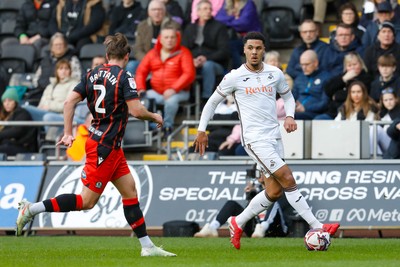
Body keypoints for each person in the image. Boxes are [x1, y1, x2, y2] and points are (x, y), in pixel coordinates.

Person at [15, 33, 176, 257]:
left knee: (130, 191)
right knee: (86, 201)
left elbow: (69, 101)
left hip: (108, 145)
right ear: (127, 56)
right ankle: (31, 209)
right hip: (105, 147)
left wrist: (68, 132)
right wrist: (155, 116)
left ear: (107, 55)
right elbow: (136, 110)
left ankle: (147, 247)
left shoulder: (91, 73)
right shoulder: (124, 76)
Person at [193, 31, 340, 250]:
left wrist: (289, 115)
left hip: (274, 136)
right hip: (254, 139)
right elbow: (212, 103)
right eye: (250, 48)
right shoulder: (234, 76)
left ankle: (237, 221)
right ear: (244, 49)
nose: (254, 52)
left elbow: (288, 97)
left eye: (258, 48)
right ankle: (317, 226)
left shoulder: (275, 73)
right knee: (287, 178)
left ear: (264, 50)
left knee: (274, 192)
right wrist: (201, 130)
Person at [194, 164, 291, 238]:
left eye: (263, 171)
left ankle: (263, 227)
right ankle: (212, 227)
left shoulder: (280, 188)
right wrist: (250, 195)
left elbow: (280, 205)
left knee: (272, 200)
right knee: (232, 204)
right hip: (254, 230)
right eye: (258, 172)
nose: (261, 175)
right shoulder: (255, 189)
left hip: (276, 229)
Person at [135, 26, 196, 137]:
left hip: (179, 92)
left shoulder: (184, 52)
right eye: (166, 37)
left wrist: (174, 89)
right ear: (160, 39)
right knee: (141, 99)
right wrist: (141, 88)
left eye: (172, 37)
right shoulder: (152, 53)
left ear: (177, 39)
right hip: (157, 92)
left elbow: (189, 74)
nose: (169, 40)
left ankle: (168, 127)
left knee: (171, 100)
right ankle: (151, 127)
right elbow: (141, 72)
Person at [182, 0, 230, 101]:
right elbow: (184, 49)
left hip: (215, 64)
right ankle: (186, 97)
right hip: (193, 62)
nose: (208, 11)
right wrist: (192, 60)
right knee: (182, 64)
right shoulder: (189, 28)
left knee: (208, 65)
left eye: (210, 9)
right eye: (205, 9)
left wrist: (206, 58)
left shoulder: (219, 27)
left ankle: (206, 99)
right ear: (198, 11)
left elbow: (224, 51)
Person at [128, 0, 180, 75]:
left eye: (159, 9)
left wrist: (160, 60)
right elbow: (138, 48)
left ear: (164, 11)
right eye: (154, 10)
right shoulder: (142, 26)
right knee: (131, 65)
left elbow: (176, 47)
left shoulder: (174, 26)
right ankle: (132, 86)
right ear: (149, 13)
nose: (157, 12)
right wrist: (148, 60)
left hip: (166, 60)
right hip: (146, 59)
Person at [315, 52, 372, 120]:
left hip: (350, 113)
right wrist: (343, 79)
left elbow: (354, 95)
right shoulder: (342, 77)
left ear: (361, 64)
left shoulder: (366, 78)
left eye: (355, 64)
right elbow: (327, 89)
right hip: (333, 112)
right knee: (318, 120)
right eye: (349, 65)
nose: (352, 68)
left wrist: (336, 96)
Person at [33, 32, 82, 102]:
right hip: (40, 92)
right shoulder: (45, 60)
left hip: (60, 95)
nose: (58, 47)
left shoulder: (72, 59)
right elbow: (36, 78)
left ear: (65, 46)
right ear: (51, 47)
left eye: (61, 44)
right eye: (56, 45)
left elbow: (77, 78)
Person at [215, 0, 261, 69]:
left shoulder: (249, 4)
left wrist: (228, 22)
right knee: (226, 45)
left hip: (251, 38)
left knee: (231, 46)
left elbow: (243, 24)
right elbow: (218, 18)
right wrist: (233, 18)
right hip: (235, 38)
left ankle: (239, 71)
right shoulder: (227, 3)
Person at [292, 50, 331, 120]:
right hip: (297, 111)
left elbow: (325, 103)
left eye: (307, 64)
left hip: (315, 113)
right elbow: (292, 97)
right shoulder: (299, 78)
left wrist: (306, 108)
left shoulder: (326, 78)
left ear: (315, 63)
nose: (304, 67)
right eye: (302, 64)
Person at [0, 87, 37, 156]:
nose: (7, 104)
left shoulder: (22, 113)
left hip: (23, 147)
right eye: (4, 101)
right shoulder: (4, 115)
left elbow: (17, 131)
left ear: (15, 102)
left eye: (10, 101)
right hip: (8, 144)